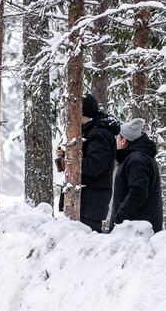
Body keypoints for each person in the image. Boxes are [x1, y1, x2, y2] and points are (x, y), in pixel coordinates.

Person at [56, 93, 120, 232]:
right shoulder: (90, 132)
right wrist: (66, 156)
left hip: (90, 202)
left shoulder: (99, 134)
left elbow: (94, 166)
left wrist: (67, 162)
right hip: (87, 201)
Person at [111, 118, 163, 233]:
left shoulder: (137, 160)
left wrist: (119, 219)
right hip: (137, 229)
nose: (116, 141)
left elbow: (138, 193)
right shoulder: (137, 157)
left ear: (123, 140)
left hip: (136, 231)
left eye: (117, 138)